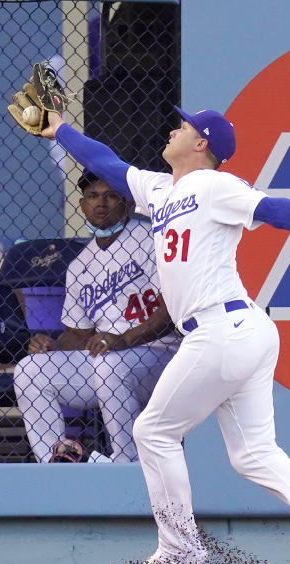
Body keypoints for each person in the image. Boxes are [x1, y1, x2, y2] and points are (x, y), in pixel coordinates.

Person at [38, 106, 290, 564]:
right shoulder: (159, 188)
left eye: (184, 126)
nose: (173, 127)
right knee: (255, 453)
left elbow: (272, 208)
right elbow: (106, 162)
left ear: (201, 145)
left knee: (152, 430)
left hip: (221, 328)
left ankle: (179, 546)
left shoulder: (214, 185)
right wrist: (60, 128)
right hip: (241, 330)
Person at [13, 172, 178, 464]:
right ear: (81, 205)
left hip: (161, 354)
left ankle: (126, 461)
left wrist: (123, 339)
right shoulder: (79, 266)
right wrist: (50, 345)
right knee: (30, 370)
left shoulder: (150, 240)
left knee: (108, 363)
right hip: (107, 361)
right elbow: (77, 334)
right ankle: (56, 461)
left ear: (126, 202)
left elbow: (171, 313)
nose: (100, 203)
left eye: (110, 195)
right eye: (92, 196)